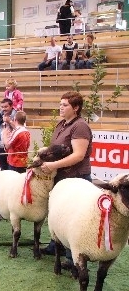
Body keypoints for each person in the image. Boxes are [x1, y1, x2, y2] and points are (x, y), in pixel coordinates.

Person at [40, 91, 92, 271]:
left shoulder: (80, 127)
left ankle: (72, 257)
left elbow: (79, 155)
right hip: (63, 179)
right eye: (60, 104)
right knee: (58, 214)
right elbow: (57, 147)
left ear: (76, 108)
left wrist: (53, 165)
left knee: (72, 219)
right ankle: (56, 245)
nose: (60, 108)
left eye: (65, 105)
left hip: (76, 178)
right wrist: (45, 150)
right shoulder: (62, 124)